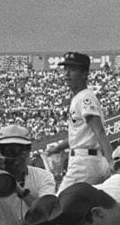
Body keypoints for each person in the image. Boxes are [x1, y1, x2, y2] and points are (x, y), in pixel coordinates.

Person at [43, 51, 113, 191]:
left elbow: (99, 131)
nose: (67, 74)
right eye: (66, 69)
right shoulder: (79, 97)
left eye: (73, 70)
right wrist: (58, 148)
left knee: (59, 204)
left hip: (85, 163)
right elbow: (82, 135)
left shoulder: (85, 97)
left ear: (84, 74)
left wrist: (112, 161)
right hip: (88, 160)